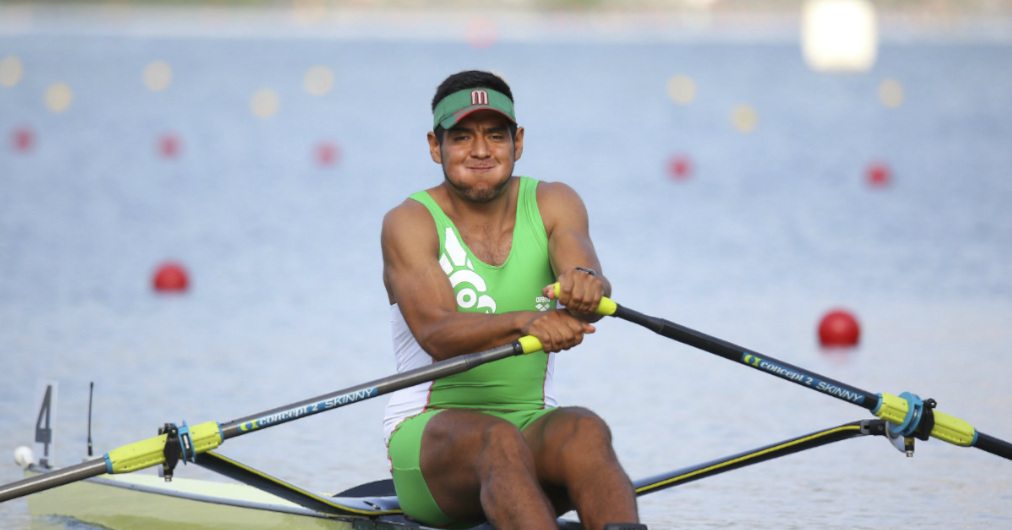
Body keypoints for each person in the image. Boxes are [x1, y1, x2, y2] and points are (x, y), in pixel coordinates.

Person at [381, 70, 641, 530]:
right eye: (461, 137)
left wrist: (585, 285)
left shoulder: (555, 202)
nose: (481, 151)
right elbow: (438, 332)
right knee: (497, 440)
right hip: (428, 443)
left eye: (495, 136)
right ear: (434, 146)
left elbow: (584, 270)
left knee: (586, 430)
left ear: (517, 142)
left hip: (530, 427)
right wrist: (526, 322)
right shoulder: (410, 221)